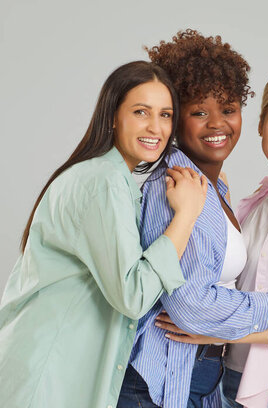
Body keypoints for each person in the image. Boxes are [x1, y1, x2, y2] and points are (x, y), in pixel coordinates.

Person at [117, 32, 268, 408]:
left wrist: (219, 335)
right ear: (174, 118)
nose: (217, 124)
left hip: (205, 376)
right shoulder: (174, 183)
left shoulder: (218, 190)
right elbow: (189, 306)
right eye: (199, 112)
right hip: (162, 378)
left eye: (228, 109)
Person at [0, 60, 208, 408]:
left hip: (54, 372)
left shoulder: (110, 179)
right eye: (141, 112)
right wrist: (186, 215)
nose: (156, 127)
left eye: (166, 115)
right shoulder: (103, 181)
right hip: (47, 378)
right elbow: (133, 294)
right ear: (113, 116)